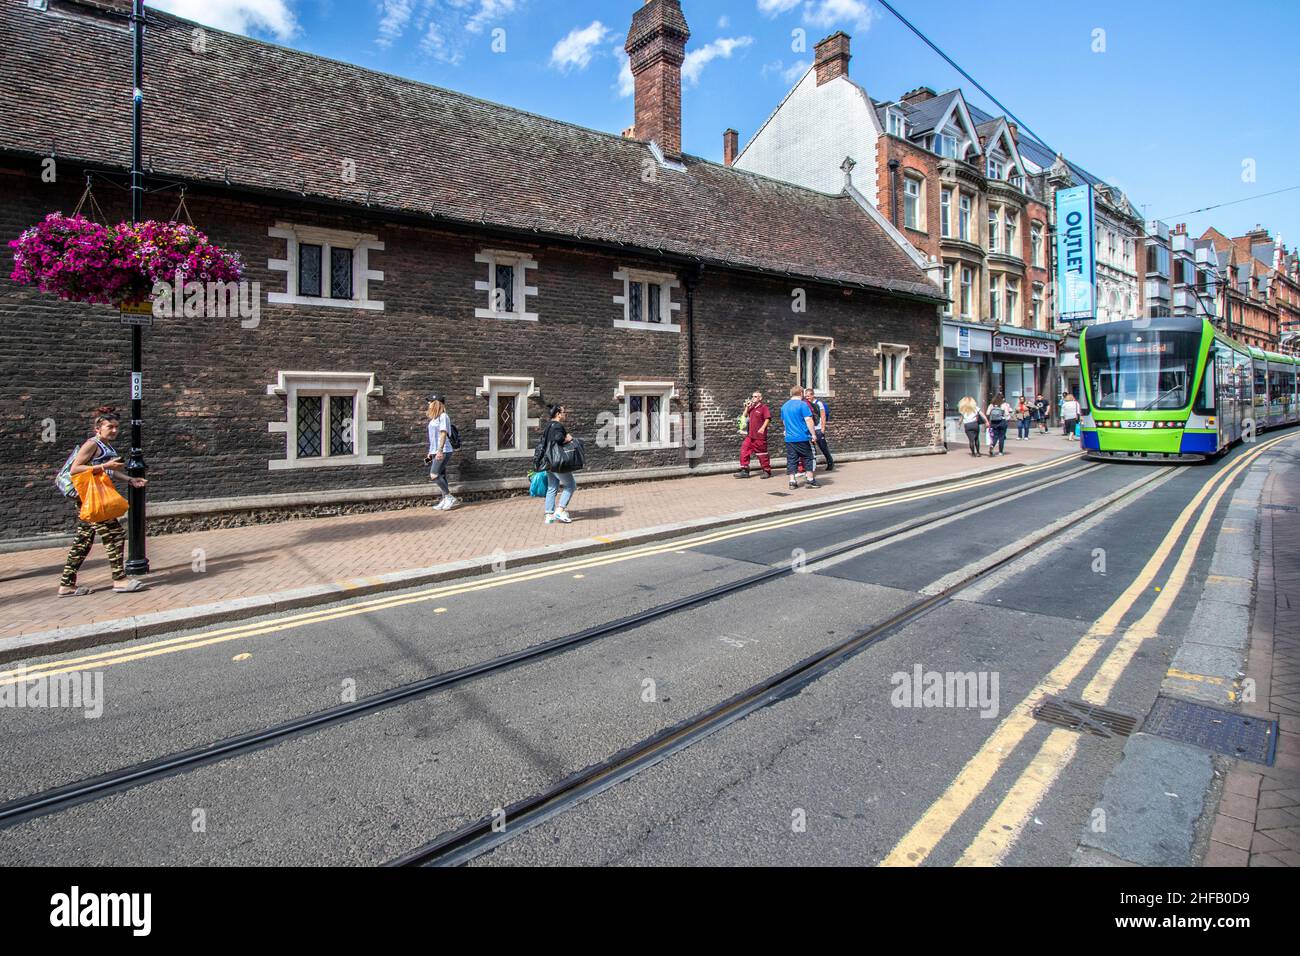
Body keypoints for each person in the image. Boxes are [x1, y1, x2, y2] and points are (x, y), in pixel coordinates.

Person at [57, 406, 148, 596]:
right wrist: (105, 464)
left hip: (90, 497)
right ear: (98, 428)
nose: (114, 430)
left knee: (83, 540)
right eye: (110, 427)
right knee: (114, 534)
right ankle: (119, 580)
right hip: (88, 497)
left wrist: (130, 479)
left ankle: (66, 584)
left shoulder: (106, 445)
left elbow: (108, 471)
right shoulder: (92, 444)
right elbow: (75, 469)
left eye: (116, 426)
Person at [534, 403, 577, 523]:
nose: (565, 415)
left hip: (548, 462)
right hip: (557, 462)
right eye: (564, 413)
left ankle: (549, 515)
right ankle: (560, 510)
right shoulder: (557, 426)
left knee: (552, 487)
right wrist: (568, 439)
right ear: (558, 414)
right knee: (571, 485)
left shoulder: (548, 426)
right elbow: (559, 439)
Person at [781, 385, 819, 489]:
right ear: (801, 393)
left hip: (789, 438)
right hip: (802, 437)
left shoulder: (785, 406)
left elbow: (784, 421)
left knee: (792, 459)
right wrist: (813, 434)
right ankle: (810, 480)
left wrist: (787, 430)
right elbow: (808, 420)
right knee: (808, 457)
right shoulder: (802, 405)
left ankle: (792, 481)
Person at [424, 395, 458, 511]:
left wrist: (439, 450)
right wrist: (430, 452)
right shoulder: (434, 418)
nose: (428, 404)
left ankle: (449, 497)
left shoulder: (443, 416)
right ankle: (444, 499)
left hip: (443, 450)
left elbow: (443, 434)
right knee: (441, 475)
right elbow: (433, 437)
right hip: (435, 451)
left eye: (430, 402)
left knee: (434, 475)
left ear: (437, 403)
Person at [735, 390, 772, 478]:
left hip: (759, 436)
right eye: (753, 396)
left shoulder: (764, 407)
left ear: (760, 398)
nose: (753, 398)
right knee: (744, 451)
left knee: (762, 454)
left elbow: (768, 419)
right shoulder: (751, 407)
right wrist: (747, 407)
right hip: (750, 435)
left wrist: (763, 428)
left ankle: (766, 471)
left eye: (755, 396)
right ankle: (745, 470)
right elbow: (743, 417)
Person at [804, 387, 834, 472]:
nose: (807, 398)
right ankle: (813, 465)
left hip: (818, 428)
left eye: (808, 396)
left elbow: (823, 416)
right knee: (811, 448)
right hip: (810, 429)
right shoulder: (806, 404)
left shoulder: (819, 403)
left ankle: (830, 463)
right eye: (806, 396)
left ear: (813, 395)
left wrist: (823, 428)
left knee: (823, 447)